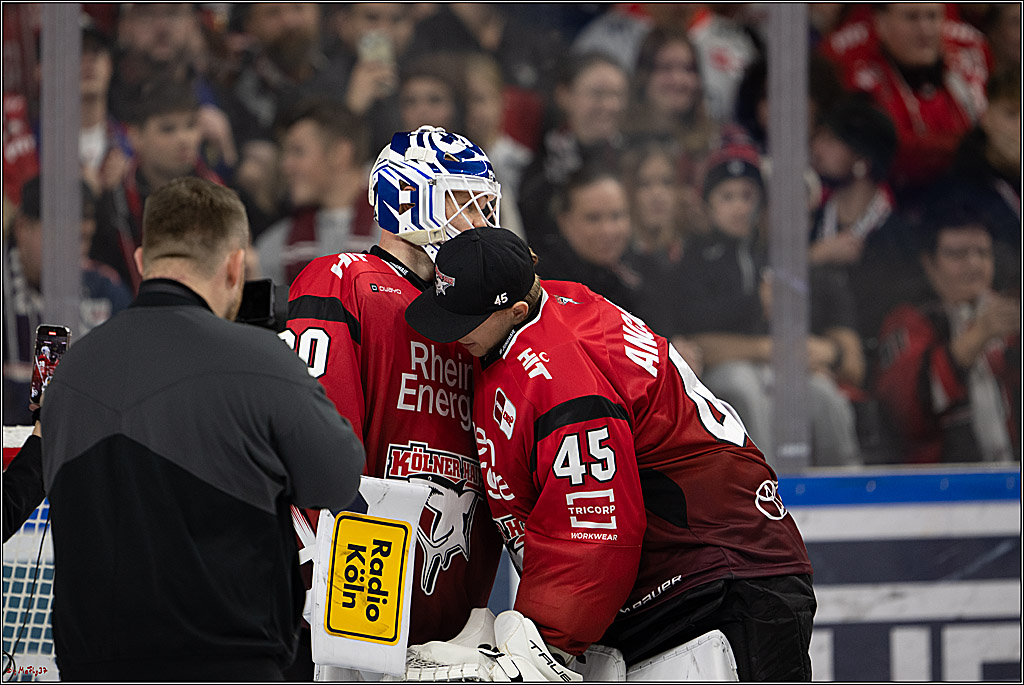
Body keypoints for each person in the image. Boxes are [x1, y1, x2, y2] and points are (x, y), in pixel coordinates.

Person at [404, 227, 815, 681]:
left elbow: (596, 523)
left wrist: (541, 646)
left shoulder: (560, 374)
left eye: (465, 320)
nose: (451, 333)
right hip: (693, 577)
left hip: (722, 583)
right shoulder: (554, 307)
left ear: (515, 309)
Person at [39, 176, 366, 681]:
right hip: (228, 660)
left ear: (143, 261)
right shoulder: (261, 360)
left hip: (91, 665)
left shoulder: (70, 374)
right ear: (236, 265)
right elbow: (337, 479)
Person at [283, 126, 505, 672]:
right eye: (463, 203)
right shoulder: (345, 280)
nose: (481, 223)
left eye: (486, 207)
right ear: (407, 200)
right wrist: (340, 595)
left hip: (456, 602)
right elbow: (316, 444)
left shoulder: (476, 314)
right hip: (360, 586)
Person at [672, 143, 862, 466]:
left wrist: (814, 351)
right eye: (727, 197)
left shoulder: (772, 259)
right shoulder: (694, 259)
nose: (739, 207)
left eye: (747, 197)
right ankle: (768, 485)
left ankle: (850, 487)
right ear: (708, 205)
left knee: (821, 391)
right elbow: (692, 333)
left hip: (772, 367)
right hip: (720, 374)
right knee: (742, 385)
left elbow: (832, 351)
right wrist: (756, 313)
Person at [875, 197, 1020, 464]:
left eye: (982, 253)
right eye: (958, 254)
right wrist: (979, 336)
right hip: (940, 491)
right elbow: (907, 416)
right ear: (929, 263)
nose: (974, 264)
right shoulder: (907, 321)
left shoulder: (1010, 315)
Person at [2, 176, 131, 426]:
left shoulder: (105, 290)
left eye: (83, 240)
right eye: (62, 239)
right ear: (22, 227)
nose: (74, 254)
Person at [90, 76, 224, 292]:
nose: (184, 139)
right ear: (135, 137)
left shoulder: (221, 194)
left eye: (191, 126)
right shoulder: (113, 204)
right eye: (168, 129)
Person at [255, 100, 378, 286]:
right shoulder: (274, 247)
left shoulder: (397, 238)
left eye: (298, 152)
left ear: (340, 154)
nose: (286, 165)